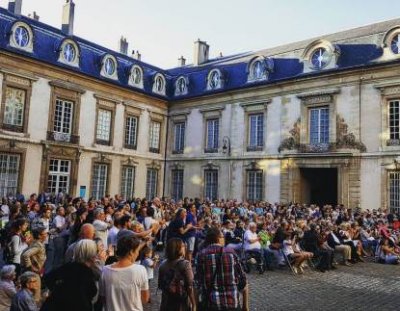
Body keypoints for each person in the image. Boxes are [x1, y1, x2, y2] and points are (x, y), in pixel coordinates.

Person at [196, 228, 248, 311]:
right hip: (232, 303)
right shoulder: (231, 252)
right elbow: (243, 281)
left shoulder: (202, 255)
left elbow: (197, 283)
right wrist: (245, 307)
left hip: (211, 304)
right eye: (223, 237)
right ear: (218, 238)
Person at [41, 239, 98, 311]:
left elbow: (48, 279)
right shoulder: (87, 272)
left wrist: (59, 292)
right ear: (91, 254)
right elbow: (92, 292)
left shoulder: (67, 267)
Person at [100, 235, 149, 311]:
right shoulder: (140, 270)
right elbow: (145, 299)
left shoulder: (105, 270)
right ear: (131, 252)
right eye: (137, 251)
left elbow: (103, 298)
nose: (138, 254)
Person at [158, 238, 196, 311]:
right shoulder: (185, 264)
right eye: (183, 246)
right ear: (178, 249)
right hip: (180, 302)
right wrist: (194, 304)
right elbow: (190, 286)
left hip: (166, 301)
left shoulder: (163, 264)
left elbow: (160, 285)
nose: (185, 247)